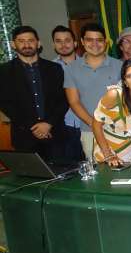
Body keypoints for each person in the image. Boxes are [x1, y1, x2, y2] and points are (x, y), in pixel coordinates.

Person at [0, 26, 68, 161]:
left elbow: (64, 100)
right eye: (21, 41)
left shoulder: (54, 68)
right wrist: (35, 127)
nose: (26, 44)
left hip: (55, 133)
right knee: (31, 180)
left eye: (31, 40)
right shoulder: (4, 71)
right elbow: (5, 103)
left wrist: (48, 124)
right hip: (24, 136)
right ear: (13, 44)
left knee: (62, 178)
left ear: (38, 43)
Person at [64, 23, 122, 159]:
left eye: (99, 40)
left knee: (124, 173)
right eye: (90, 40)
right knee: (99, 173)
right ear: (82, 42)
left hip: (119, 130)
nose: (95, 44)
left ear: (106, 42)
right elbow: (74, 102)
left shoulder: (120, 66)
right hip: (89, 131)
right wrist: (95, 125)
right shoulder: (71, 69)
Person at [51, 25, 84, 162]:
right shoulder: (49, 69)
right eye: (58, 41)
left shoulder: (87, 65)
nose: (63, 44)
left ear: (75, 43)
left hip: (88, 125)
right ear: (54, 44)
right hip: (63, 127)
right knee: (68, 169)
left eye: (67, 40)